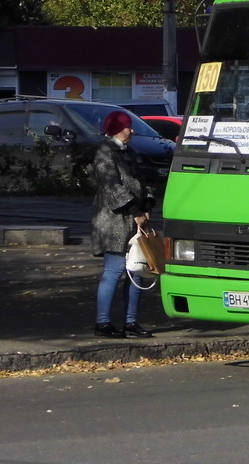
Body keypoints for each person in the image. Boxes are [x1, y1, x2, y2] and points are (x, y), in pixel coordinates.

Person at [91, 110, 154, 338]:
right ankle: (103, 322)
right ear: (117, 129)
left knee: (136, 272)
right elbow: (111, 186)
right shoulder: (105, 152)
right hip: (114, 221)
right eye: (128, 127)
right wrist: (135, 210)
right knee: (114, 271)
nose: (132, 130)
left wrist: (146, 205)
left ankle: (131, 322)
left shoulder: (130, 152)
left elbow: (142, 181)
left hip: (134, 220)